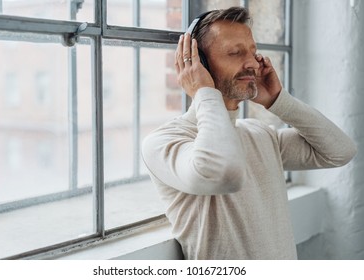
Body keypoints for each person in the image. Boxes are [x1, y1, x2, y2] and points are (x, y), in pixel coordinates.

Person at [141, 6, 356, 260]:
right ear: (198, 63)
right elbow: (222, 172)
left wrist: (279, 100)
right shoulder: (164, 142)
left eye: (253, 52)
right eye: (235, 53)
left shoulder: (260, 134)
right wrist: (202, 91)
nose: (252, 64)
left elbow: (340, 151)